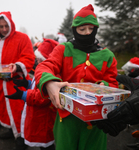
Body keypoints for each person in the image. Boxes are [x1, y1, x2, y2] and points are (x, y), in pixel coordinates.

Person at [34, 4, 119, 150]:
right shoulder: (63, 49)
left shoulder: (107, 55)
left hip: (96, 120)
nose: (87, 33)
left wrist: (105, 87)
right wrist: (49, 82)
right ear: (75, 30)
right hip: (67, 117)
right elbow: (44, 66)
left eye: (91, 29)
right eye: (82, 29)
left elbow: (113, 82)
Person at [0, 11, 35, 150]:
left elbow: (29, 58)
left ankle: (22, 137)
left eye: (6, 26)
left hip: (16, 83)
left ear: (11, 24)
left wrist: (17, 66)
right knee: (3, 107)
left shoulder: (22, 38)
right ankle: (11, 131)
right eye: (1, 26)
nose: (4, 29)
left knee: (19, 111)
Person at [6, 38, 59, 150]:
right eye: (38, 60)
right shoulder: (42, 69)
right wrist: (28, 84)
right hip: (38, 114)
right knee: (39, 138)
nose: (38, 63)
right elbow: (37, 85)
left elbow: (43, 96)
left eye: (41, 60)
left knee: (45, 142)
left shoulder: (52, 76)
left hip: (44, 116)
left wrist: (23, 95)